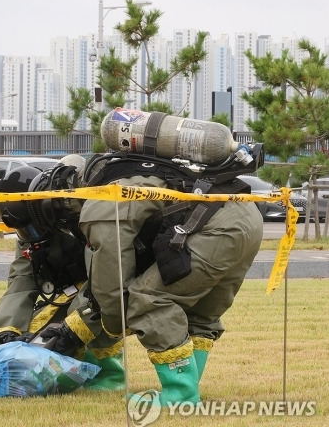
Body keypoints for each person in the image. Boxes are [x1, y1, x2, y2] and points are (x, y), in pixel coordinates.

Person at [72, 115, 264, 406]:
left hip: (217, 227)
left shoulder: (104, 195)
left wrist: (112, 323)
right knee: (200, 309)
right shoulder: (137, 167)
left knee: (148, 299)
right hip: (245, 215)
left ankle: (180, 395)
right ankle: (188, 385)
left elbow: (112, 274)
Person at [0, 156, 125, 391]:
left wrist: (72, 329)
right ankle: (72, 371)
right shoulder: (27, 236)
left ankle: (110, 376)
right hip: (69, 291)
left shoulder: (80, 220)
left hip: (106, 288)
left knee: (85, 321)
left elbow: (105, 280)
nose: (27, 234)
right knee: (36, 334)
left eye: (29, 228)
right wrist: (6, 333)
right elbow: (20, 282)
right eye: (21, 230)